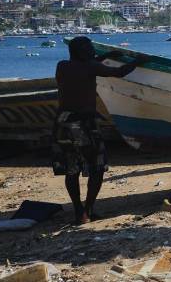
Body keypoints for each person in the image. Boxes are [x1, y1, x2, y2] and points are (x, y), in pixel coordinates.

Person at [53, 36, 141, 225]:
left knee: (72, 169)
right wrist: (138, 61)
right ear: (81, 51)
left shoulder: (62, 66)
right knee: (97, 167)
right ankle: (88, 210)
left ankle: (78, 210)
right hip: (84, 124)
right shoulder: (90, 67)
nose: (92, 50)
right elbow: (119, 72)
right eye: (89, 48)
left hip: (63, 123)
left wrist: (106, 56)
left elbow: (85, 67)